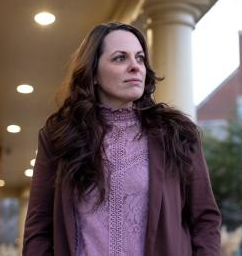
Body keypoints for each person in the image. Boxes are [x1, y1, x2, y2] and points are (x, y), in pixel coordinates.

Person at [22, 22, 221, 256]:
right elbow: (38, 229)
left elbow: (205, 219)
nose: (135, 67)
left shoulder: (176, 134)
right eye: (120, 58)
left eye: (139, 58)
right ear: (93, 72)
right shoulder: (59, 138)